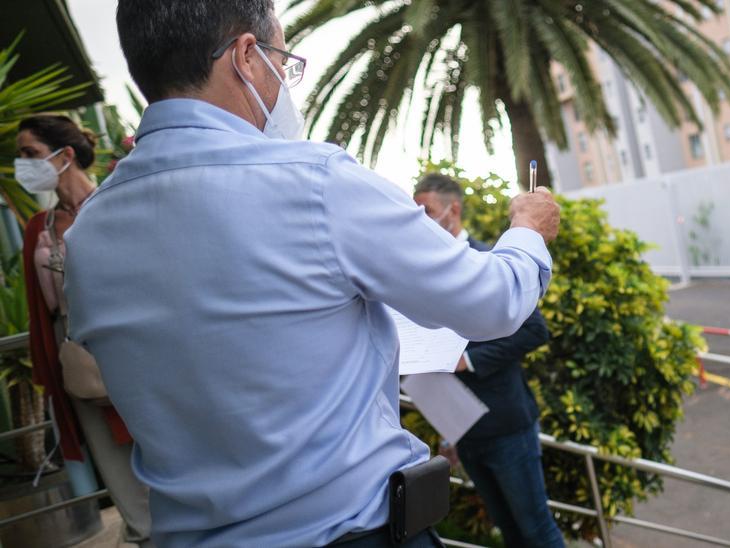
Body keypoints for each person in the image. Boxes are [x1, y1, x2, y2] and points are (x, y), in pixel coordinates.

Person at [63, 2, 560, 546]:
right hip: (352, 533)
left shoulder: (86, 235)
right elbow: (492, 302)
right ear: (248, 57)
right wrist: (528, 231)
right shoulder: (315, 184)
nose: (285, 83)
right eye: (283, 59)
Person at [16, 115, 153, 546]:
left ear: (65, 155)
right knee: (116, 467)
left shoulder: (117, 201)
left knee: (162, 447)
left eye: (30, 154)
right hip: (78, 361)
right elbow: (43, 311)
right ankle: (145, 536)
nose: (22, 164)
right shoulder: (40, 228)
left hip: (135, 351)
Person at [414, 174, 564, 547]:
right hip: (464, 430)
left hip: (507, 424)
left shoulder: (489, 260)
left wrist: (468, 360)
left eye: (427, 210)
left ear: (454, 210)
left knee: (536, 529)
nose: (420, 219)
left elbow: (535, 331)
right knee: (508, 532)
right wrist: (449, 434)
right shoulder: (424, 275)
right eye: (414, 211)